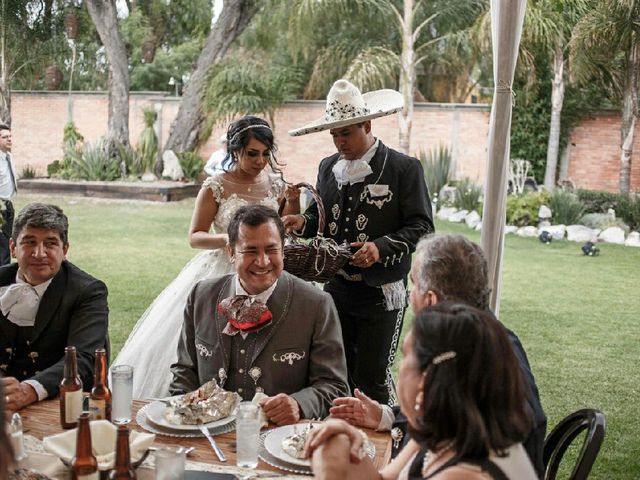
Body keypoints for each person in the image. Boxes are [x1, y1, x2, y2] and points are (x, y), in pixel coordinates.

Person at [328, 234, 547, 477]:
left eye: (412, 284)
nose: (401, 369)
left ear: (431, 300)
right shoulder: (474, 349)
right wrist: (385, 416)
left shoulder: (491, 373)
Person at [113, 116, 300, 399]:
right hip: (221, 269)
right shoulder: (216, 186)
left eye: (265, 154)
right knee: (215, 339)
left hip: (263, 271)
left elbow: (282, 229)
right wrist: (231, 240)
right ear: (235, 151)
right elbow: (195, 236)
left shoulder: (275, 186)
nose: (260, 161)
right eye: (252, 154)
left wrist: (294, 204)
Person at [283, 79, 434, 404]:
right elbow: (320, 220)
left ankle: (382, 444)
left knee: (372, 376)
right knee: (335, 371)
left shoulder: (402, 168)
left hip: (381, 291)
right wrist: (301, 222)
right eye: (334, 134)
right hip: (336, 287)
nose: (339, 142)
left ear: (367, 124)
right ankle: (340, 438)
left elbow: (422, 227)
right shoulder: (327, 167)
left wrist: (380, 248)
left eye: (346, 133)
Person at [305, 302, 537, 480]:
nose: (400, 367)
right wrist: (345, 437)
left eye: (407, 357)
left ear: (426, 379)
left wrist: (331, 472)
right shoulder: (444, 425)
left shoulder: (466, 474)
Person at [169, 205, 349, 424]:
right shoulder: (201, 296)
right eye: (251, 250)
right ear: (231, 252)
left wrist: (299, 404)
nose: (263, 261)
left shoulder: (316, 305)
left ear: (284, 250)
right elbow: (184, 372)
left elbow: (335, 387)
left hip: (278, 440)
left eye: (272, 250)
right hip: (207, 433)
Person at [0, 203, 109, 413]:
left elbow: (84, 360)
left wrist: (29, 390)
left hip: (65, 405)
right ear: (13, 248)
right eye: (29, 242)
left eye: (50, 244)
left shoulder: (88, 292)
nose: (39, 253)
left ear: (65, 250)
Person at [0, 123, 17, 266]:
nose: (9, 139)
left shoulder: (9, 157)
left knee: (7, 241)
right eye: (5, 137)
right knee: (4, 246)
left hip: (8, 205)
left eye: (10, 136)